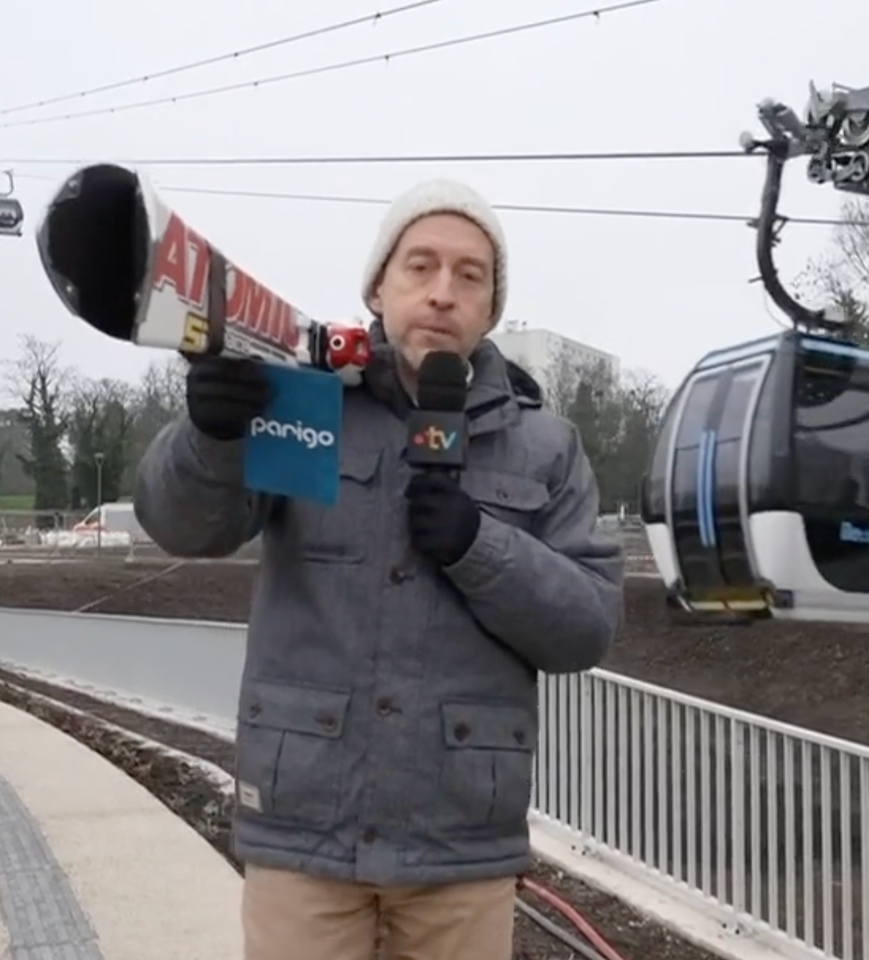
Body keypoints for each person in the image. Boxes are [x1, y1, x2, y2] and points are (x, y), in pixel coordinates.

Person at [134, 178, 624, 960]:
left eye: (470, 276)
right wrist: (211, 437)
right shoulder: (305, 404)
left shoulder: (546, 446)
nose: (442, 294)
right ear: (377, 287)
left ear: (492, 307)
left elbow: (585, 629)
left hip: (460, 849)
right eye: (419, 267)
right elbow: (186, 527)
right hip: (304, 836)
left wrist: (478, 544)